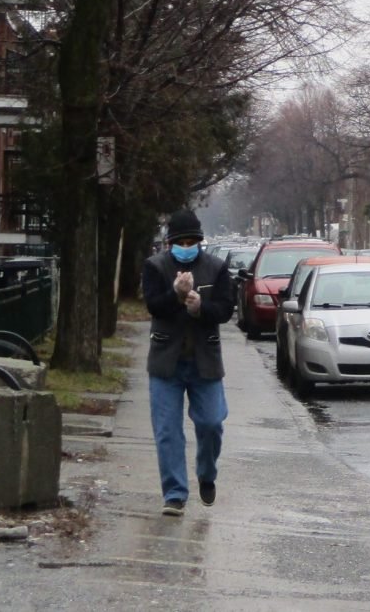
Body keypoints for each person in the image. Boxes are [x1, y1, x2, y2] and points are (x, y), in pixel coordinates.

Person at [142, 209, 234, 516]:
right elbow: (153, 305)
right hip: (166, 363)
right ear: (169, 243)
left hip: (204, 362)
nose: (186, 246)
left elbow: (224, 308)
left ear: (200, 242)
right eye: (180, 241)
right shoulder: (155, 267)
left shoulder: (216, 268)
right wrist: (175, 295)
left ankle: (206, 474)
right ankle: (175, 493)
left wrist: (199, 308)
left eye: (191, 240)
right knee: (167, 431)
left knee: (211, 423)